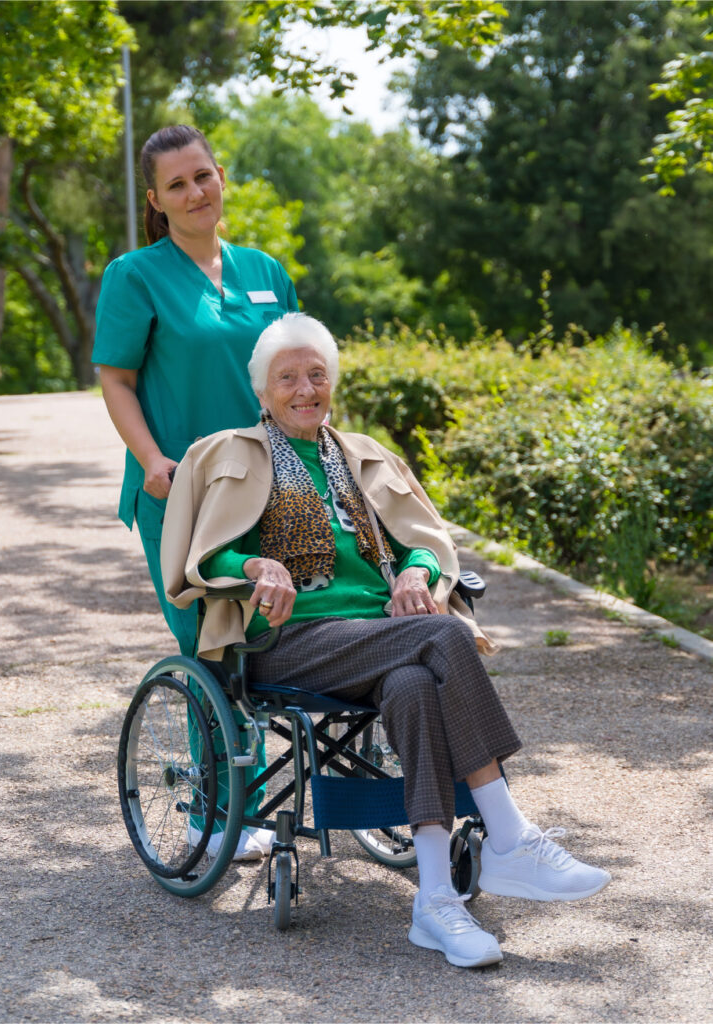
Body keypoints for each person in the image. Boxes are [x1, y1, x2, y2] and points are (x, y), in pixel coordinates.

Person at [161, 312, 612, 969]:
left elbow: (425, 544)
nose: (304, 388)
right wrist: (258, 566)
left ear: (332, 382)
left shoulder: (362, 455)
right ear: (261, 390)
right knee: (439, 636)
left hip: (381, 638)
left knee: (414, 683)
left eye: (317, 374)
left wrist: (412, 573)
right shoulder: (226, 454)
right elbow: (205, 559)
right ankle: (510, 836)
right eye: (287, 378)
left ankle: (435, 903)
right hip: (285, 640)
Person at [93, 124, 298, 860]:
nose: (194, 192)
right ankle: (214, 815)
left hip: (268, 486)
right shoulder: (135, 276)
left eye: (202, 175)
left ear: (221, 176)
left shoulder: (266, 270)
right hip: (181, 493)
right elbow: (116, 379)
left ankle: (296, 795)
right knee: (211, 645)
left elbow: (297, 372)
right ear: (156, 199)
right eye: (176, 184)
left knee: (283, 641)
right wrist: (150, 458)